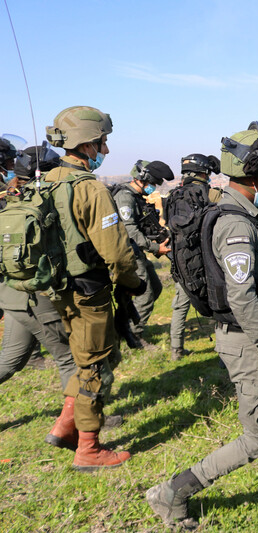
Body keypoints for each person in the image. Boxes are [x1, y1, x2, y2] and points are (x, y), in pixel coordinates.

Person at [146, 120, 258, 528]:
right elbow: (240, 294)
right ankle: (172, 492)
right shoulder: (234, 223)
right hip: (250, 341)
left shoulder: (247, 214)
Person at [43, 105, 145, 470]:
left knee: (83, 358)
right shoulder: (90, 189)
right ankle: (89, 447)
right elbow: (116, 252)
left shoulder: (46, 180)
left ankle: (65, 426)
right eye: (102, 143)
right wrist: (133, 283)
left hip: (58, 290)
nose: (104, 151)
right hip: (89, 291)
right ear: (86, 145)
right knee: (95, 367)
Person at [0, 143, 77, 390]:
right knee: (69, 358)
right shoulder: (43, 202)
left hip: (12, 295)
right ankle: (86, 421)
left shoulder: (8, 201)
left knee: (11, 361)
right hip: (36, 296)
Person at [112, 160, 174, 349]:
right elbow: (130, 231)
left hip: (137, 251)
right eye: (152, 183)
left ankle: (123, 328)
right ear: (141, 179)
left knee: (155, 288)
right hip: (128, 253)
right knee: (145, 295)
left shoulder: (135, 196)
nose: (153, 188)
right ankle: (132, 336)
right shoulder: (125, 197)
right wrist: (156, 248)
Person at [166, 153, 221, 361]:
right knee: (218, 304)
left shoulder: (174, 195)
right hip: (208, 259)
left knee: (180, 305)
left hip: (182, 260)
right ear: (204, 172)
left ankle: (175, 350)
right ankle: (222, 354)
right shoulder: (211, 194)